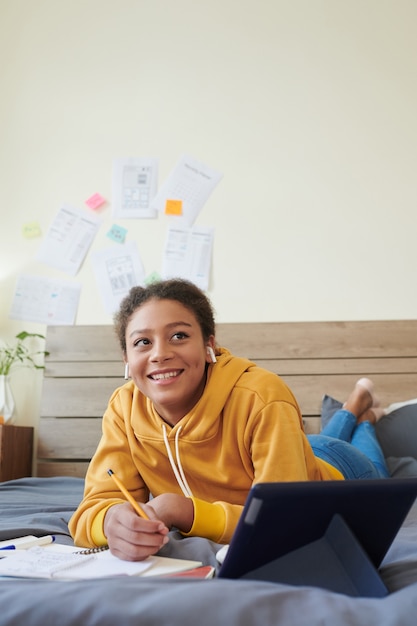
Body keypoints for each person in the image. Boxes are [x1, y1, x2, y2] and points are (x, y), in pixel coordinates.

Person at [69, 279, 390, 561]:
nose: (159, 354)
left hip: (340, 470)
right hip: (294, 452)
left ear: (209, 345)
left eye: (179, 335)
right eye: (142, 342)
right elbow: (89, 514)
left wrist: (185, 511)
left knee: (369, 458)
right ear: (126, 358)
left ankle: (363, 417)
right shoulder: (124, 408)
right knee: (317, 441)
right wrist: (110, 521)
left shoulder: (262, 396)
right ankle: (354, 408)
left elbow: (285, 521)